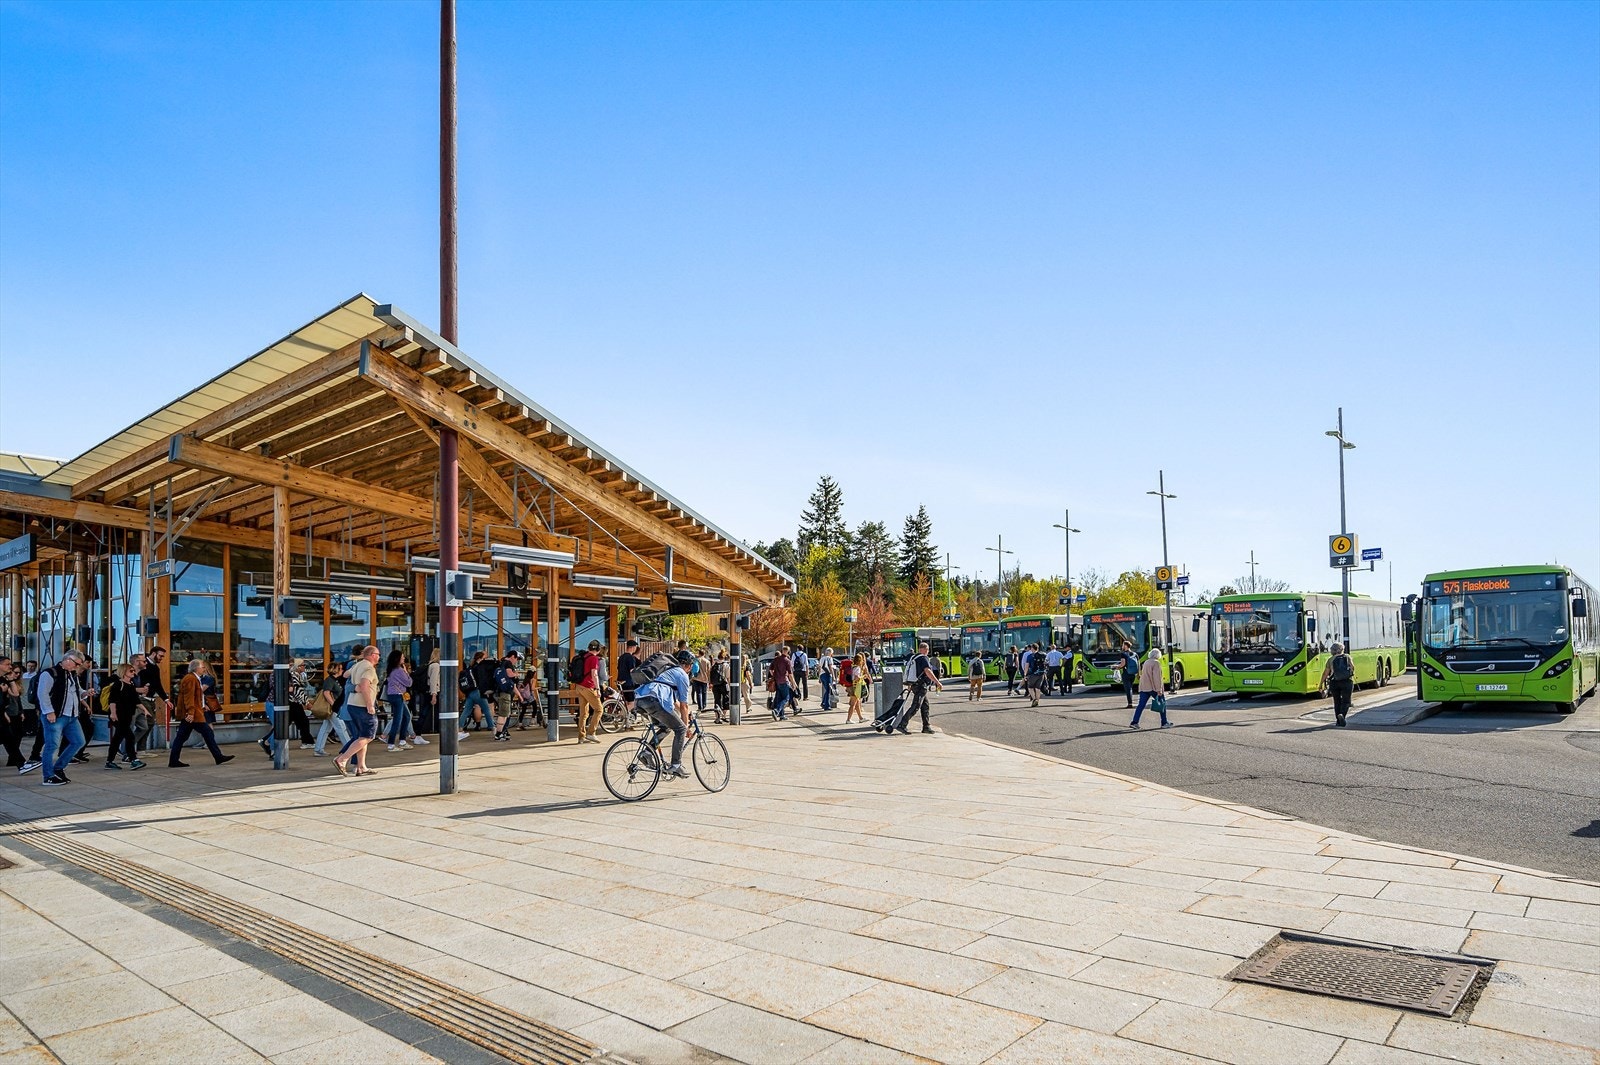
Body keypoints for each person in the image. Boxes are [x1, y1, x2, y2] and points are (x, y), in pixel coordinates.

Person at [635, 650, 694, 780]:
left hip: (641, 700)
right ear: (689, 666)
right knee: (680, 729)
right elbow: (684, 706)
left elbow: (676, 703)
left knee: (666, 726)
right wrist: (686, 727)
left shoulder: (666, 671)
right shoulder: (682, 675)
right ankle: (676, 765)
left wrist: (686, 715)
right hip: (655, 700)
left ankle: (647, 752)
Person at [168, 658, 235, 768]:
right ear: (196, 668)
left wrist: (202, 707)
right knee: (206, 733)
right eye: (202, 667)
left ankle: (174, 760)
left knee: (182, 737)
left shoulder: (194, 678)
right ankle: (218, 756)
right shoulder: (191, 679)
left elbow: (195, 697)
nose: (204, 669)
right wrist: (190, 712)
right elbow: (189, 697)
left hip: (194, 713)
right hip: (193, 714)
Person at [37, 652, 92, 786]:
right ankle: (48, 776)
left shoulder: (72, 674)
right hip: (56, 715)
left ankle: (58, 768)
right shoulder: (50, 673)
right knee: (52, 745)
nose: (78, 666)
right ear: (68, 660)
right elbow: (42, 694)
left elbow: (77, 691)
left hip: (71, 715)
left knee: (79, 741)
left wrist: (85, 693)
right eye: (77, 663)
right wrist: (49, 712)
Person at [334, 645, 381, 776]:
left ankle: (361, 766)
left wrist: (355, 681)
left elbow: (345, 674)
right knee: (368, 736)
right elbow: (364, 686)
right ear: (372, 655)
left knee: (361, 736)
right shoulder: (369, 668)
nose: (379, 657)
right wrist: (369, 705)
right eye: (378, 654)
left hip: (352, 704)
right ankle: (342, 759)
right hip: (362, 706)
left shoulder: (358, 665)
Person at [888, 641, 941, 735]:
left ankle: (926, 726)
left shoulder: (914, 657)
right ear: (925, 649)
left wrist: (910, 685)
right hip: (921, 685)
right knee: (916, 706)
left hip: (914, 684)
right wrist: (937, 682)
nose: (928, 652)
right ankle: (902, 724)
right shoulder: (923, 658)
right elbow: (927, 671)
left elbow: (911, 672)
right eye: (927, 650)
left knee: (925, 705)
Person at [103, 662, 146, 770]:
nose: (133, 672)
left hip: (127, 715)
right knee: (129, 736)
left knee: (117, 738)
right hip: (118, 716)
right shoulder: (118, 684)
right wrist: (113, 713)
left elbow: (136, 700)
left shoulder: (131, 685)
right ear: (123, 672)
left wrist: (145, 710)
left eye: (133, 670)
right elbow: (112, 700)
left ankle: (110, 761)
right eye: (130, 671)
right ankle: (133, 760)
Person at [312, 661, 350, 756]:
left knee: (326, 728)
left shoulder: (333, 680)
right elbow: (326, 693)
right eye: (340, 668)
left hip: (334, 707)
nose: (342, 670)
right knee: (341, 727)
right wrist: (334, 705)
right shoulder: (330, 680)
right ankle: (349, 747)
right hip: (334, 708)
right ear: (335, 670)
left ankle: (318, 749)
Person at [1129, 647, 1171, 729]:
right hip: (1153, 688)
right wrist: (1159, 689)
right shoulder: (1156, 663)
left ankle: (1134, 722)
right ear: (1158, 655)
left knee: (1141, 705)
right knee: (1162, 703)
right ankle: (1164, 722)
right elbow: (1157, 677)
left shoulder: (1146, 662)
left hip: (1144, 687)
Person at [573, 639, 604, 744]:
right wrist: (598, 689)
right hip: (588, 686)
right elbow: (594, 674)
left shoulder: (583, 656)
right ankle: (591, 733)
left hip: (579, 686)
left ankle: (581, 736)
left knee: (583, 713)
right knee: (599, 709)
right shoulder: (594, 659)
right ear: (598, 650)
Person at [384, 650, 413, 752]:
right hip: (398, 696)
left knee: (406, 716)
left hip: (394, 695)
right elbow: (409, 683)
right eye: (402, 657)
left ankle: (402, 740)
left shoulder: (391, 669)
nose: (404, 658)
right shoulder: (399, 670)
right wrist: (406, 673)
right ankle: (391, 744)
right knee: (398, 719)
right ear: (398, 659)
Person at [0, 656, 23, 769]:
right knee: (9, 739)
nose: (10, 666)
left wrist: (11, 680)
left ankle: (21, 763)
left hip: (2, 714)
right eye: (7, 664)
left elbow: (16, 694)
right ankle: (21, 763)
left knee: (10, 739)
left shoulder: (4, 680)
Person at [492, 650, 520, 741]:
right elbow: (509, 674)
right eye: (516, 659)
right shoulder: (508, 663)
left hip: (499, 691)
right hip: (505, 693)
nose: (516, 661)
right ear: (512, 656)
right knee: (503, 714)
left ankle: (502, 732)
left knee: (504, 713)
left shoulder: (501, 663)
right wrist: (516, 674)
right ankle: (499, 734)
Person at [1327, 641, 1356, 727]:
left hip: (1334, 682)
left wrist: (1321, 684)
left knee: (1337, 701)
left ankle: (1338, 720)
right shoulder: (1347, 657)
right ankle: (1342, 715)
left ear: (1332, 650)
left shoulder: (1330, 660)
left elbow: (1326, 673)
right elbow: (1352, 667)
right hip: (1347, 681)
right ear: (1342, 649)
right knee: (1346, 701)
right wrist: (1350, 673)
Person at [768, 646, 794, 721]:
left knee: (779, 698)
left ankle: (782, 716)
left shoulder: (776, 659)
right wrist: (793, 683)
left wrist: (774, 676)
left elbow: (770, 669)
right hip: (784, 681)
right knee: (786, 698)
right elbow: (790, 674)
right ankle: (776, 711)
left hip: (777, 681)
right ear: (788, 652)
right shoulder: (787, 660)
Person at [617, 640, 641, 705]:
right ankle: (620, 715)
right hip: (628, 683)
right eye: (635, 647)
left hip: (621, 681)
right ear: (632, 647)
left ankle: (625, 714)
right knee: (632, 703)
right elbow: (632, 670)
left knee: (627, 703)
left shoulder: (621, 657)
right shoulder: (630, 657)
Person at [841, 653, 863, 722]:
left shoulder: (852, 667)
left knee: (857, 702)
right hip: (854, 687)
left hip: (849, 686)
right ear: (860, 660)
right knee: (853, 704)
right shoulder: (857, 668)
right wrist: (862, 677)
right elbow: (856, 678)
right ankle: (848, 719)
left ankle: (860, 718)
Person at [710, 650, 730, 723]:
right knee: (726, 700)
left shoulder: (714, 664)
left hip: (715, 685)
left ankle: (717, 718)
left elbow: (711, 675)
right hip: (723, 684)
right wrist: (730, 685)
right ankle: (724, 716)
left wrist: (711, 683)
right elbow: (728, 676)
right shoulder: (726, 665)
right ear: (724, 657)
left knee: (717, 701)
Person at [1119, 642, 1139, 709]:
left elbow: (1122, 664)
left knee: (1128, 688)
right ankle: (1130, 702)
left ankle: (1130, 703)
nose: (1122, 646)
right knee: (1130, 687)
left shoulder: (1123, 654)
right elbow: (1138, 664)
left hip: (1126, 673)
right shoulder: (1135, 654)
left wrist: (1116, 667)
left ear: (1125, 646)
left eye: (1123, 645)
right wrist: (1138, 674)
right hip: (1133, 673)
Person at [818, 647, 837, 713]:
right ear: (831, 653)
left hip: (822, 675)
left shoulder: (822, 658)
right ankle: (826, 705)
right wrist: (833, 676)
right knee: (829, 690)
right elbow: (830, 667)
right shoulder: (829, 658)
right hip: (827, 675)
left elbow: (819, 667)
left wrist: (819, 677)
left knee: (826, 690)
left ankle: (823, 702)